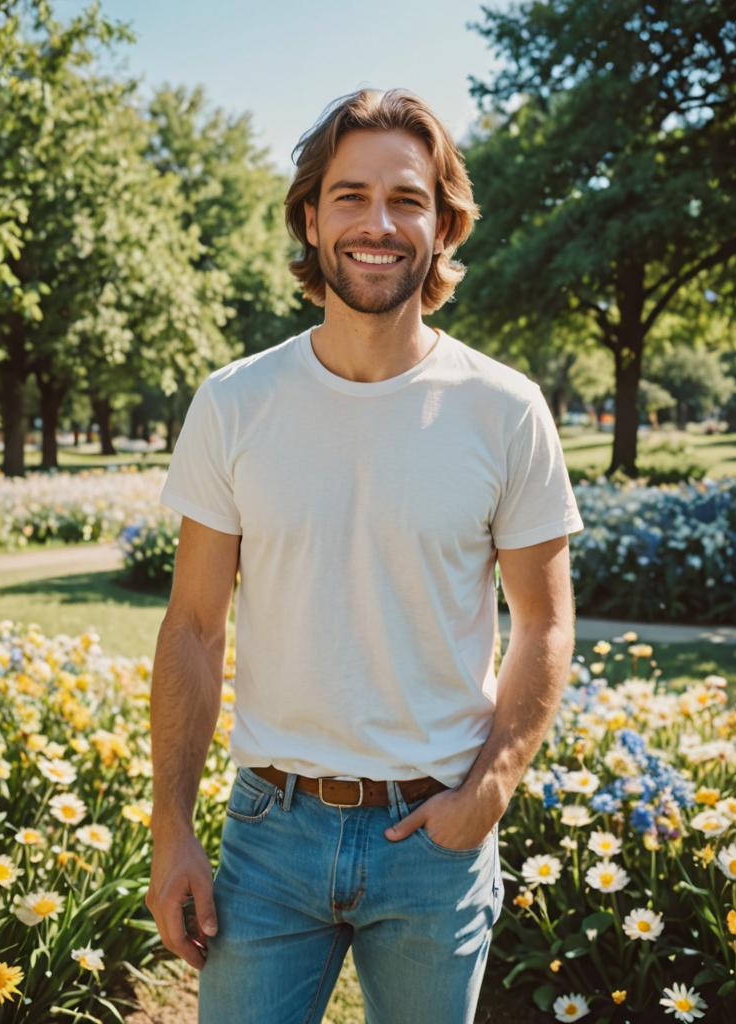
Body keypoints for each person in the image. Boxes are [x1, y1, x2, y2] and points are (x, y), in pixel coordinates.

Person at [145, 88, 584, 1024]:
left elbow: (545, 623)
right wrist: (171, 827)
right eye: (349, 196)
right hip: (270, 837)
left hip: (437, 841)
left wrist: (489, 793)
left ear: (443, 221)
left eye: (406, 198)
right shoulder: (235, 403)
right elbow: (192, 625)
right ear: (311, 217)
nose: (376, 224)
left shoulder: (505, 411)